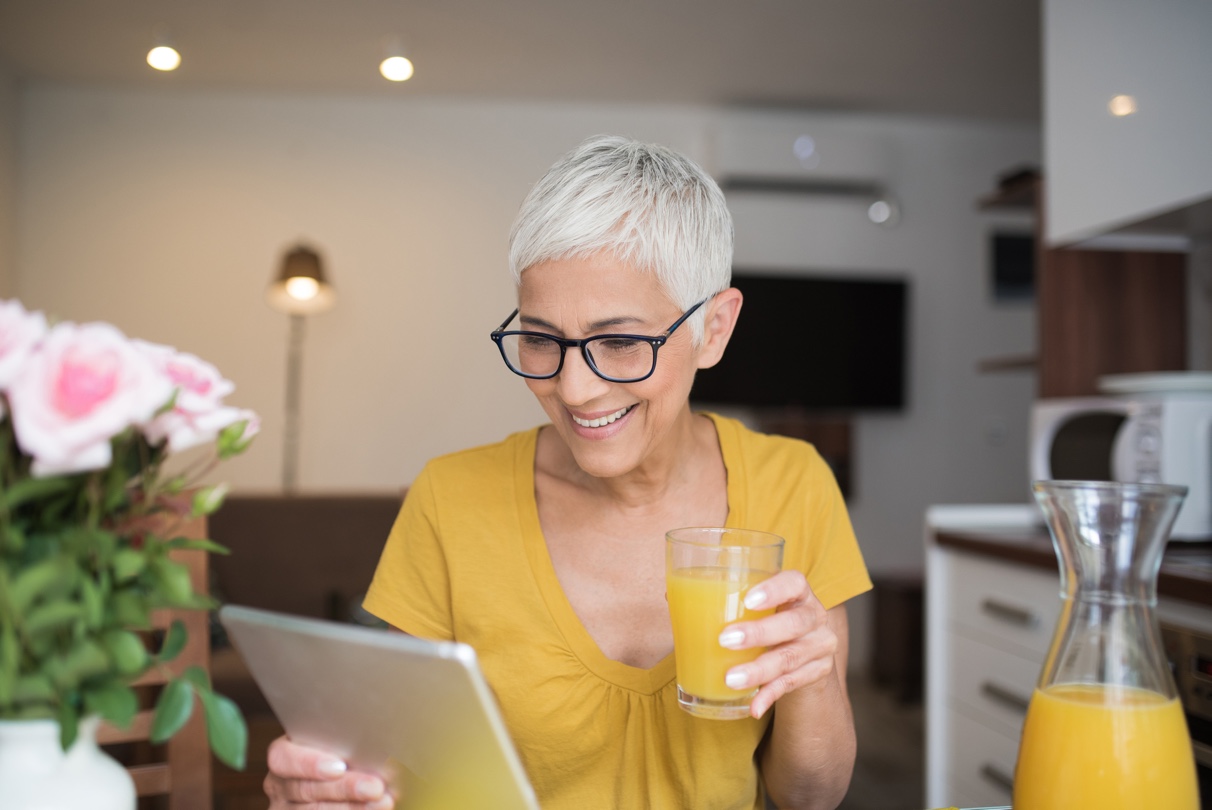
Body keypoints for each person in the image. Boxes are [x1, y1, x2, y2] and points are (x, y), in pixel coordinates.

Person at [263, 135, 871, 810]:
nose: (575, 389)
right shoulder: (451, 498)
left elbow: (810, 798)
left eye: (619, 342)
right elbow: (397, 767)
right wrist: (332, 788)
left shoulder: (795, 484)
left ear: (715, 329)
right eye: (542, 338)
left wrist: (814, 678)